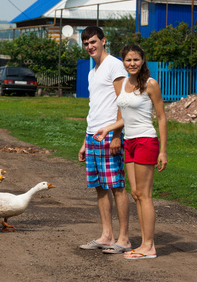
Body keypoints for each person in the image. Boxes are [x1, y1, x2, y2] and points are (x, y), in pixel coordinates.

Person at [94, 44, 168, 259]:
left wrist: (163, 151)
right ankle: (145, 244)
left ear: (142, 60)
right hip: (130, 142)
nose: (132, 63)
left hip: (146, 141)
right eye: (128, 60)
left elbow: (161, 117)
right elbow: (124, 117)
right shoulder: (124, 83)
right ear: (123, 62)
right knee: (135, 194)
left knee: (145, 195)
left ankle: (149, 246)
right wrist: (108, 128)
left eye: (136, 59)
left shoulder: (150, 84)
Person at [78, 26, 131, 254]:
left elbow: (123, 100)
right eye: (86, 43)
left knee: (117, 186)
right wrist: (85, 140)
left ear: (103, 41)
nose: (90, 46)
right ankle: (107, 235)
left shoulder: (114, 65)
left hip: (110, 134)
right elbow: (94, 107)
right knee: (100, 187)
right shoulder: (93, 71)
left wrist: (117, 135)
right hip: (93, 136)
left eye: (93, 41)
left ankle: (124, 239)